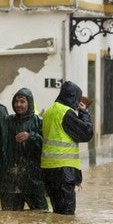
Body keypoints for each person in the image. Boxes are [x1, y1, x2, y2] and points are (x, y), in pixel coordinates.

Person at [0, 88, 48, 210]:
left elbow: (46, 146)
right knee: (10, 218)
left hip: (33, 181)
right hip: (9, 182)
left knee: (41, 215)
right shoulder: (5, 122)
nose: (18, 105)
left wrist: (31, 137)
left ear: (29, 103)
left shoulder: (38, 122)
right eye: (16, 101)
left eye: (22, 101)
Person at [41, 81, 93, 215]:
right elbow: (86, 134)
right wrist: (84, 113)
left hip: (48, 170)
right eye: (77, 100)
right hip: (64, 171)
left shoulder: (49, 111)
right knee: (67, 215)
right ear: (73, 98)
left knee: (57, 213)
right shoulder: (65, 113)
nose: (77, 104)